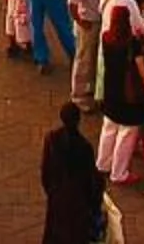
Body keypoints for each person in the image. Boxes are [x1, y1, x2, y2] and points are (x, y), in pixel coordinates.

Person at [40, 102, 110, 244]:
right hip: (78, 201)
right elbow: (91, 179)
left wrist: (52, 190)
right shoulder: (84, 147)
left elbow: (45, 170)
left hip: (58, 195)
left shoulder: (52, 139)